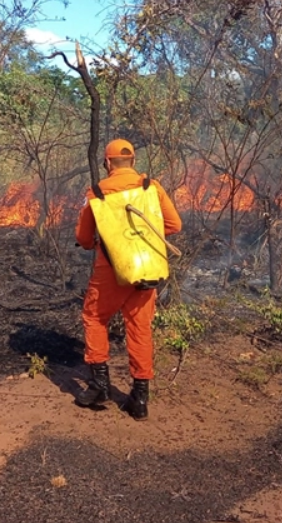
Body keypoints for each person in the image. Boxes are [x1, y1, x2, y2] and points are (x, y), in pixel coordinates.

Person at [74, 138, 182, 420]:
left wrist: (102, 243)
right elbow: (173, 225)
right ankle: (140, 398)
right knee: (140, 328)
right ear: (133, 161)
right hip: (146, 269)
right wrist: (143, 241)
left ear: (107, 163)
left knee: (95, 319)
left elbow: (84, 238)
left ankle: (100, 385)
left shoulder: (96, 193)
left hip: (109, 270)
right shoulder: (151, 187)